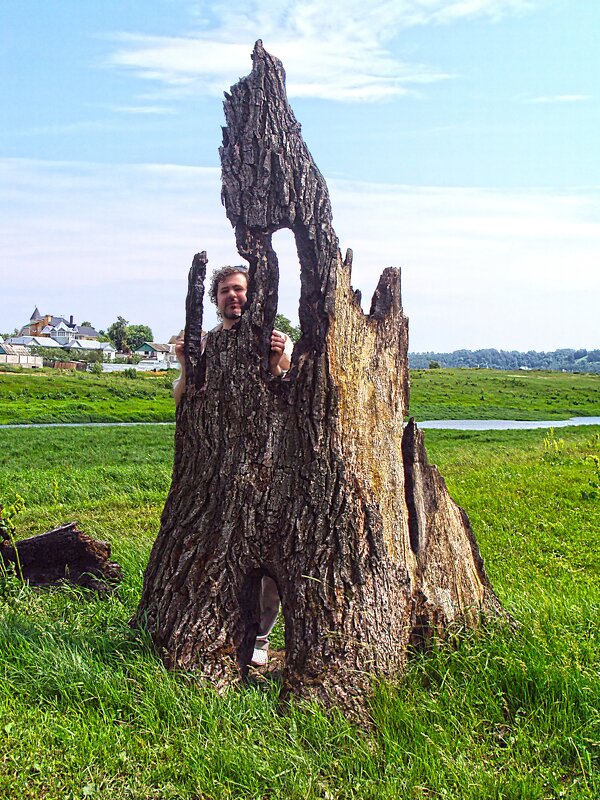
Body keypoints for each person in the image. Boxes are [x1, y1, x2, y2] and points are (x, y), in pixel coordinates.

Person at [173, 265, 293, 667]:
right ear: (215, 298)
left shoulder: (272, 339)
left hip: (266, 469)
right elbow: (182, 400)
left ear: (253, 294)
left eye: (239, 289)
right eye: (225, 290)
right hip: (215, 472)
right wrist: (184, 362)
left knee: (266, 560)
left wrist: (281, 361)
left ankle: (260, 637)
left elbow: (291, 397)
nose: (233, 296)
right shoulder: (205, 343)